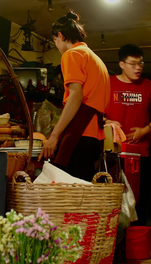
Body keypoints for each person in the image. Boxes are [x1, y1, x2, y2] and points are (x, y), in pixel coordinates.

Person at [38, 11, 110, 181]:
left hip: (80, 133)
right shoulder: (95, 58)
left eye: (55, 40)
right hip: (93, 137)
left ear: (60, 36)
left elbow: (76, 96)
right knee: (82, 191)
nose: (56, 44)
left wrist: (54, 135)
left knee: (68, 192)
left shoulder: (71, 54)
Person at [105, 44, 151, 226]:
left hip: (143, 153)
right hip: (114, 153)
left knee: (142, 200)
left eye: (141, 63)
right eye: (133, 64)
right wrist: (105, 121)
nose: (138, 68)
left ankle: (140, 241)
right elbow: (94, 112)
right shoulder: (108, 83)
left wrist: (145, 130)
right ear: (121, 64)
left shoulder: (148, 86)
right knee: (116, 200)